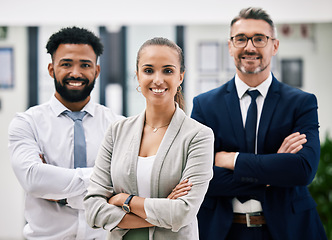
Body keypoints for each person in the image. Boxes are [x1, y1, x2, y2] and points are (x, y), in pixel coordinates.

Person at [191, 7, 327, 240]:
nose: (250, 47)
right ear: (230, 46)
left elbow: (303, 170)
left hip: (290, 229)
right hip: (222, 230)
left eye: (259, 39)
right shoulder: (205, 105)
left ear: (274, 46)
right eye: (241, 39)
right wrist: (273, 173)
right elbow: (198, 178)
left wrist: (231, 160)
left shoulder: (301, 103)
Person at [84, 37, 214, 240]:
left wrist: (125, 200)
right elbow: (93, 209)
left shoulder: (198, 136)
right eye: (148, 70)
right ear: (137, 76)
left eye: (168, 71)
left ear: (181, 77)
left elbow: (183, 212)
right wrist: (163, 211)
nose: (158, 79)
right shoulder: (117, 131)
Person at [8, 26, 123, 239]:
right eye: (66, 64)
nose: (76, 73)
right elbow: (34, 180)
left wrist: (57, 191)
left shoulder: (119, 126)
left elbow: (126, 184)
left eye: (85, 65)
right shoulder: (27, 123)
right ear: (52, 69)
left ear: (96, 71)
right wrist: (103, 180)